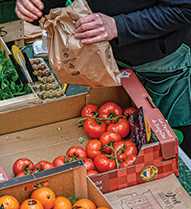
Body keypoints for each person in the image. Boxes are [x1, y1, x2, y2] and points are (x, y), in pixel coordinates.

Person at [15, 0, 191, 157]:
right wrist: (34, 5)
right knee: (132, 143)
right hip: (109, 63)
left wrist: (118, 26)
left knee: (174, 143)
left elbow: (185, 8)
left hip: (165, 66)